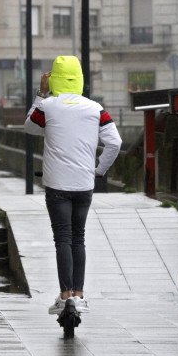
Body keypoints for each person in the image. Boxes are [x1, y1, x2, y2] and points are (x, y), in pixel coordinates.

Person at [24, 56, 122, 316]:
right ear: (80, 79)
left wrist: (40, 93)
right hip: (83, 184)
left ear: (53, 78)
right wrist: (99, 170)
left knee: (62, 239)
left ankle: (64, 295)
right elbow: (114, 143)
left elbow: (30, 128)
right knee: (78, 238)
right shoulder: (95, 108)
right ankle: (78, 296)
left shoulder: (48, 105)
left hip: (57, 185)